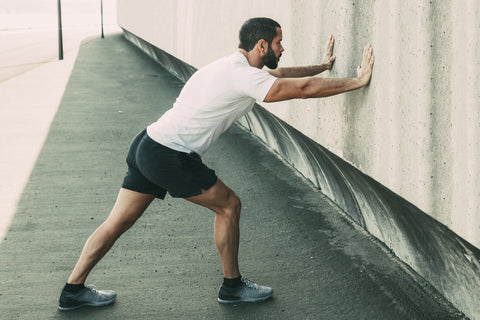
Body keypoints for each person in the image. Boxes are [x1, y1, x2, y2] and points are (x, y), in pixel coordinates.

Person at [58, 17, 374, 311]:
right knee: (228, 206)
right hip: (170, 154)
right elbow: (301, 92)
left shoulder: (230, 67)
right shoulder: (241, 75)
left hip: (147, 143)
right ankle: (232, 286)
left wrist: (321, 67)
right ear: (261, 46)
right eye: (279, 42)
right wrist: (357, 82)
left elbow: (282, 75)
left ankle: (72, 291)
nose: (283, 48)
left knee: (118, 222)